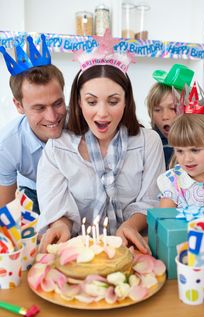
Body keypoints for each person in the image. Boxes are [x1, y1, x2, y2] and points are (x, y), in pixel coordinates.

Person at [37, 29, 165, 254]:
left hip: (132, 250)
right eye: (92, 101)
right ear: (78, 102)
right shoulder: (57, 148)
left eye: (113, 101)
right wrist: (60, 227)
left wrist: (129, 227)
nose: (102, 113)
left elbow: (150, 201)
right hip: (76, 253)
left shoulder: (149, 142)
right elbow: (59, 212)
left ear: (126, 102)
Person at [0, 35, 67, 213]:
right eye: (39, 108)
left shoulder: (84, 124)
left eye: (58, 103)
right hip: (34, 193)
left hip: (76, 191)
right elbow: (5, 215)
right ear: (19, 106)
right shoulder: (6, 145)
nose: (52, 117)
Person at [157, 82, 204, 209]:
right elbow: (165, 221)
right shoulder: (171, 182)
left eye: (195, 150)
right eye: (180, 151)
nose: (187, 159)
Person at [146, 64, 194, 169]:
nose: (165, 116)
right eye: (157, 110)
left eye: (173, 108)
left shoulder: (198, 141)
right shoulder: (147, 143)